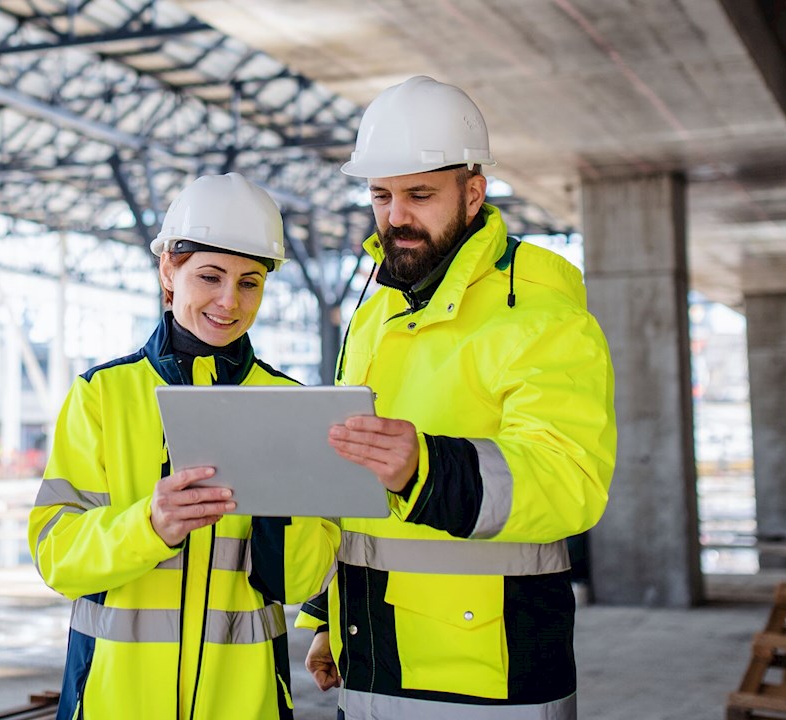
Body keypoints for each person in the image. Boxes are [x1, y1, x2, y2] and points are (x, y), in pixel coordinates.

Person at [297, 76, 617, 719]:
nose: (396, 217)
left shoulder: (540, 314)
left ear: (473, 194)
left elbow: (569, 480)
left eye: (419, 194)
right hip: (369, 653)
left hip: (489, 671)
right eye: (381, 196)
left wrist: (426, 466)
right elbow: (357, 491)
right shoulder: (377, 309)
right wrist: (326, 614)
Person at [30, 173, 340, 720]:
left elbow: (299, 581)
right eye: (210, 276)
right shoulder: (103, 395)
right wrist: (146, 527)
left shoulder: (290, 404)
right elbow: (58, 557)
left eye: (249, 282)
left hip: (246, 705)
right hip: (112, 703)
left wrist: (278, 506)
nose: (229, 301)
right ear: (168, 271)